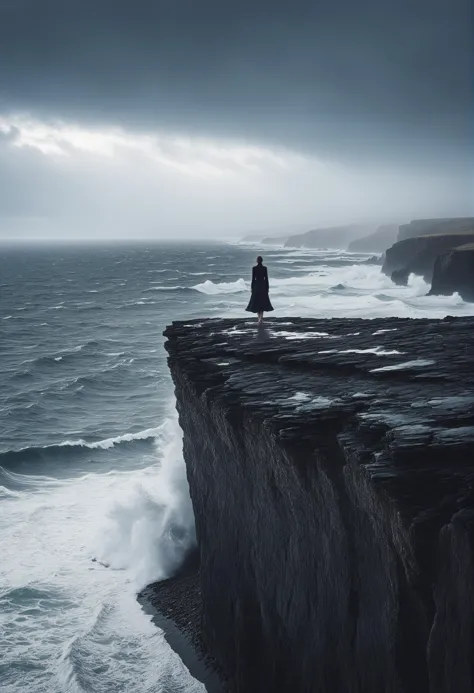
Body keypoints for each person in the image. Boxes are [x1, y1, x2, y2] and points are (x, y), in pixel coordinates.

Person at [245, 256, 274, 324]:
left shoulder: (254, 268)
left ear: (257, 261)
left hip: (256, 286)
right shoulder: (265, 268)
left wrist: (252, 288)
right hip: (263, 286)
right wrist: (267, 288)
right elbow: (266, 279)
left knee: (257, 302)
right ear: (262, 261)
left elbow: (253, 279)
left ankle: (259, 318)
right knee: (262, 302)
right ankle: (261, 317)